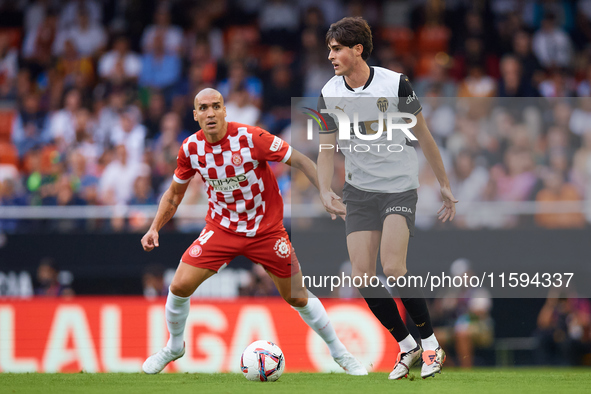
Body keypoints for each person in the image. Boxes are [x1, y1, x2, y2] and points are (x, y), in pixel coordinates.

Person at [140, 88, 366, 375]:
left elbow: (300, 160)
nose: (210, 113)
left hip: (266, 230)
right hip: (221, 229)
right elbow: (173, 195)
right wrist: (154, 228)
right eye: (204, 108)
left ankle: (340, 353)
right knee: (179, 286)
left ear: (225, 111)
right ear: (195, 115)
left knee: (297, 296)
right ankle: (174, 346)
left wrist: (324, 191)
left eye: (216, 106)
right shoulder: (190, 149)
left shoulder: (251, 138)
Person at [316, 17, 458, 380]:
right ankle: (407, 346)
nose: (330, 55)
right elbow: (326, 147)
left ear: (357, 49)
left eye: (337, 49)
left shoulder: (395, 83)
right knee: (362, 276)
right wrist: (324, 189)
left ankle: (430, 345)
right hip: (359, 192)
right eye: (330, 49)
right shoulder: (328, 93)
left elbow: (423, 135)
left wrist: (443, 183)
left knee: (393, 268)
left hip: (398, 185)